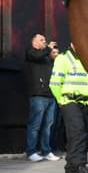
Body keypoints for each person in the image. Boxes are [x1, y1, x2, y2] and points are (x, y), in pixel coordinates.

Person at [50, 42, 88, 173]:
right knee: (77, 134)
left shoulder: (87, 59)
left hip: (85, 103)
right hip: (70, 101)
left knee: (84, 136)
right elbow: (54, 83)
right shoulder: (63, 58)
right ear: (71, 44)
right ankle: (79, 167)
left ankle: (72, 171)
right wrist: (61, 101)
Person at [24, 33, 59, 162]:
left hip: (50, 95)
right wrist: (48, 49)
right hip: (38, 95)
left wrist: (53, 56)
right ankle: (31, 151)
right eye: (41, 40)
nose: (45, 41)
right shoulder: (31, 52)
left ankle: (46, 151)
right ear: (34, 42)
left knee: (48, 125)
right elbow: (37, 55)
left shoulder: (46, 57)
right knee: (35, 125)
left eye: (45, 40)